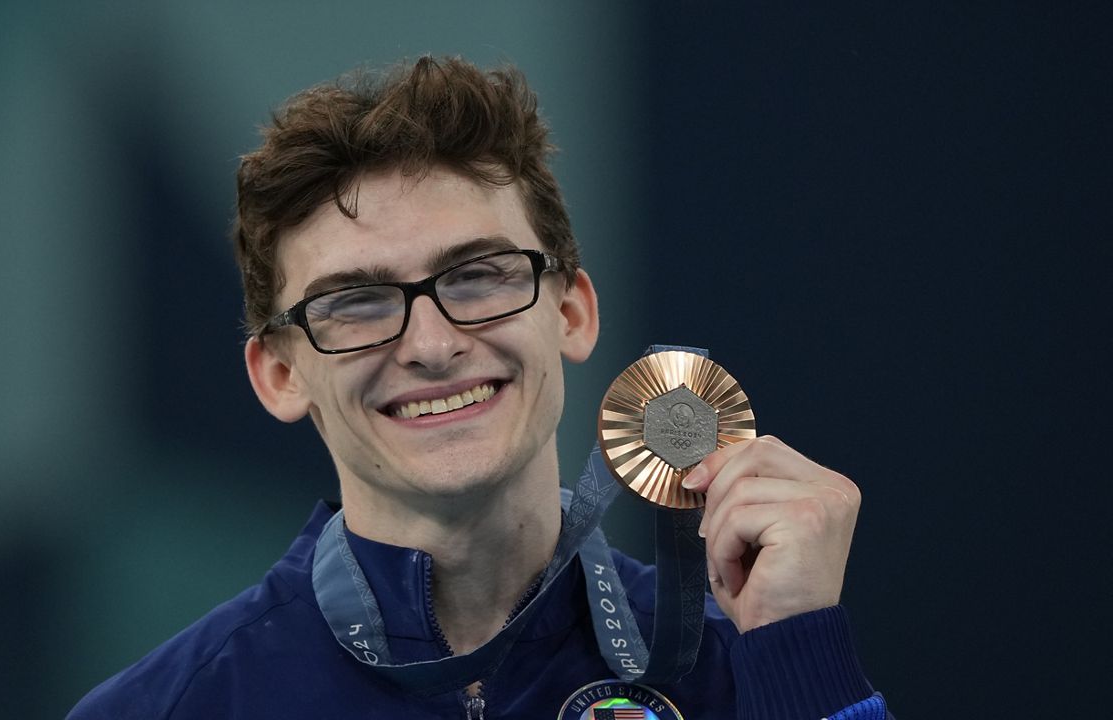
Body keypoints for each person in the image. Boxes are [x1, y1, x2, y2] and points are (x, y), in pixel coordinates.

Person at [68, 56, 889, 719]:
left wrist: (798, 654)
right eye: (356, 302)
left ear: (571, 312)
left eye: (479, 276)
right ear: (281, 375)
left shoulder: (746, 669)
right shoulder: (168, 708)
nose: (430, 345)